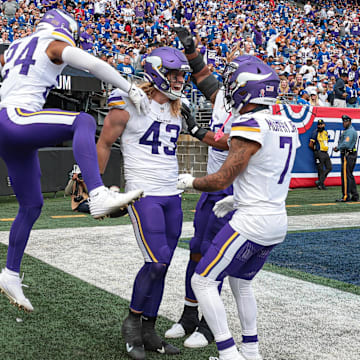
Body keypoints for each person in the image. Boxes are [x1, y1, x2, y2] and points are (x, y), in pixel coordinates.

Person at [0, 9, 149, 313]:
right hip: (17, 118)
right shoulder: (54, 43)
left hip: (9, 125)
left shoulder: (15, 46)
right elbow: (92, 64)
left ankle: (10, 274)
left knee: (32, 205)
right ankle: (96, 193)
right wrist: (129, 86)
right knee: (81, 121)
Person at [177, 55, 300, 360]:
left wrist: (191, 182)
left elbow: (222, 178)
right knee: (241, 282)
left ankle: (228, 353)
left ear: (245, 89)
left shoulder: (249, 121)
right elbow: (266, 171)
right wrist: (238, 199)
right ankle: (251, 349)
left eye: (234, 81)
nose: (229, 86)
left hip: (252, 223)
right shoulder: (285, 122)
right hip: (276, 219)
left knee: (202, 280)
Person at [165, 27, 265, 352]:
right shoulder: (223, 94)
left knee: (213, 255)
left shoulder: (252, 107)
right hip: (212, 188)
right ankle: (189, 314)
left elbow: (228, 141)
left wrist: (195, 130)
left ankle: (209, 326)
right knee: (195, 248)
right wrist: (191, 48)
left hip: (231, 190)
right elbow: (201, 73)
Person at [96, 46, 192, 360]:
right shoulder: (128, 103)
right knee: (156, 262)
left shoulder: (180, 108)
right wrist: (95, 188)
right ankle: (132, 322)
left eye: (181, 74)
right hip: (142, 194)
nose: (179, 80)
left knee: (163, 267)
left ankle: (149, 331)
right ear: (155, 72)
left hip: (171, 195)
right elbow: (104, 143)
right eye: (174, 73)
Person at [334, 115, 359, 202]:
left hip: (347, 155)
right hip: (351, 154)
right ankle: (355, 195)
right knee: (349, 175)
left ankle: (346, 196)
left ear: (349, 122)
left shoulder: (349, 132)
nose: (344, 123)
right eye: (343, 122)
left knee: (345, 176)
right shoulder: (350, 130)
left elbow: (346, 144)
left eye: (346, 121)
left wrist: (338, 148)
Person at [309, 119, 332, 190]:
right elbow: (310, 144)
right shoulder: (315, 132)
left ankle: (320, 182)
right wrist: (316, 151)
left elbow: (326, 141)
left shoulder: (325, 132)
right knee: (320, 169)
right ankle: (321, 185)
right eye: (319, 125)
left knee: (329, 167)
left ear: (324, 125)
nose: (320, 126)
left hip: (325, 152)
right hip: (319, 152)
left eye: (321, 124)